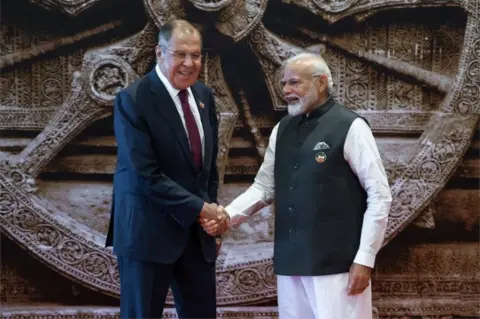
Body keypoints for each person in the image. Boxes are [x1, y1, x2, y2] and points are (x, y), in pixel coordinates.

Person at [201, 52, 392, 318]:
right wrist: (227, 217)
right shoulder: (283, 128)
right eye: (284, 84)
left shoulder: (351, 126)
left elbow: (380, 195)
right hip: (291, 265)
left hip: (337, 267)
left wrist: (365, 259)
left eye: (295, 83)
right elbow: (264, 187)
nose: (286, 91)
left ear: (322, 82)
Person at [105, 19, 228, 319]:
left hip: (196, 238)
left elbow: (207, 167)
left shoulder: (204, 96)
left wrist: (211, 221)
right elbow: (144, 175)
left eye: (196, 55)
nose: (189, 63)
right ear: (159, 53)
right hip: (147, 235)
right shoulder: (133, 100)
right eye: (180, 54)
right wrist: (202, 209)